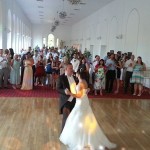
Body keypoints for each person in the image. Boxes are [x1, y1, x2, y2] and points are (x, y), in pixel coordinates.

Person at [59, 70, 117, 150]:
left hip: (80, 103)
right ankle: (87, 136)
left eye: (77, 73)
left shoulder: (80, 84)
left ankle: (80, 139)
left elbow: (78, 95)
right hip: (84, 101)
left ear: (79, 75)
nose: (76, 74)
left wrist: (69, 93)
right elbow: (85, 91)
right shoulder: (84, 81)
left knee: (78, 119)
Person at [57, 63, 77, 131]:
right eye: (70, 68)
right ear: (66, 69)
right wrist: (65, 91)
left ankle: (71, 132)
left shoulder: (74, 77)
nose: (72, 70)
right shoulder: (61, 77)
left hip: (74, 100)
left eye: (72, 68)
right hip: (66, 101)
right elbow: (58, 89)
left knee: (73, 117)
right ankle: (63, 134)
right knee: (66, 118)